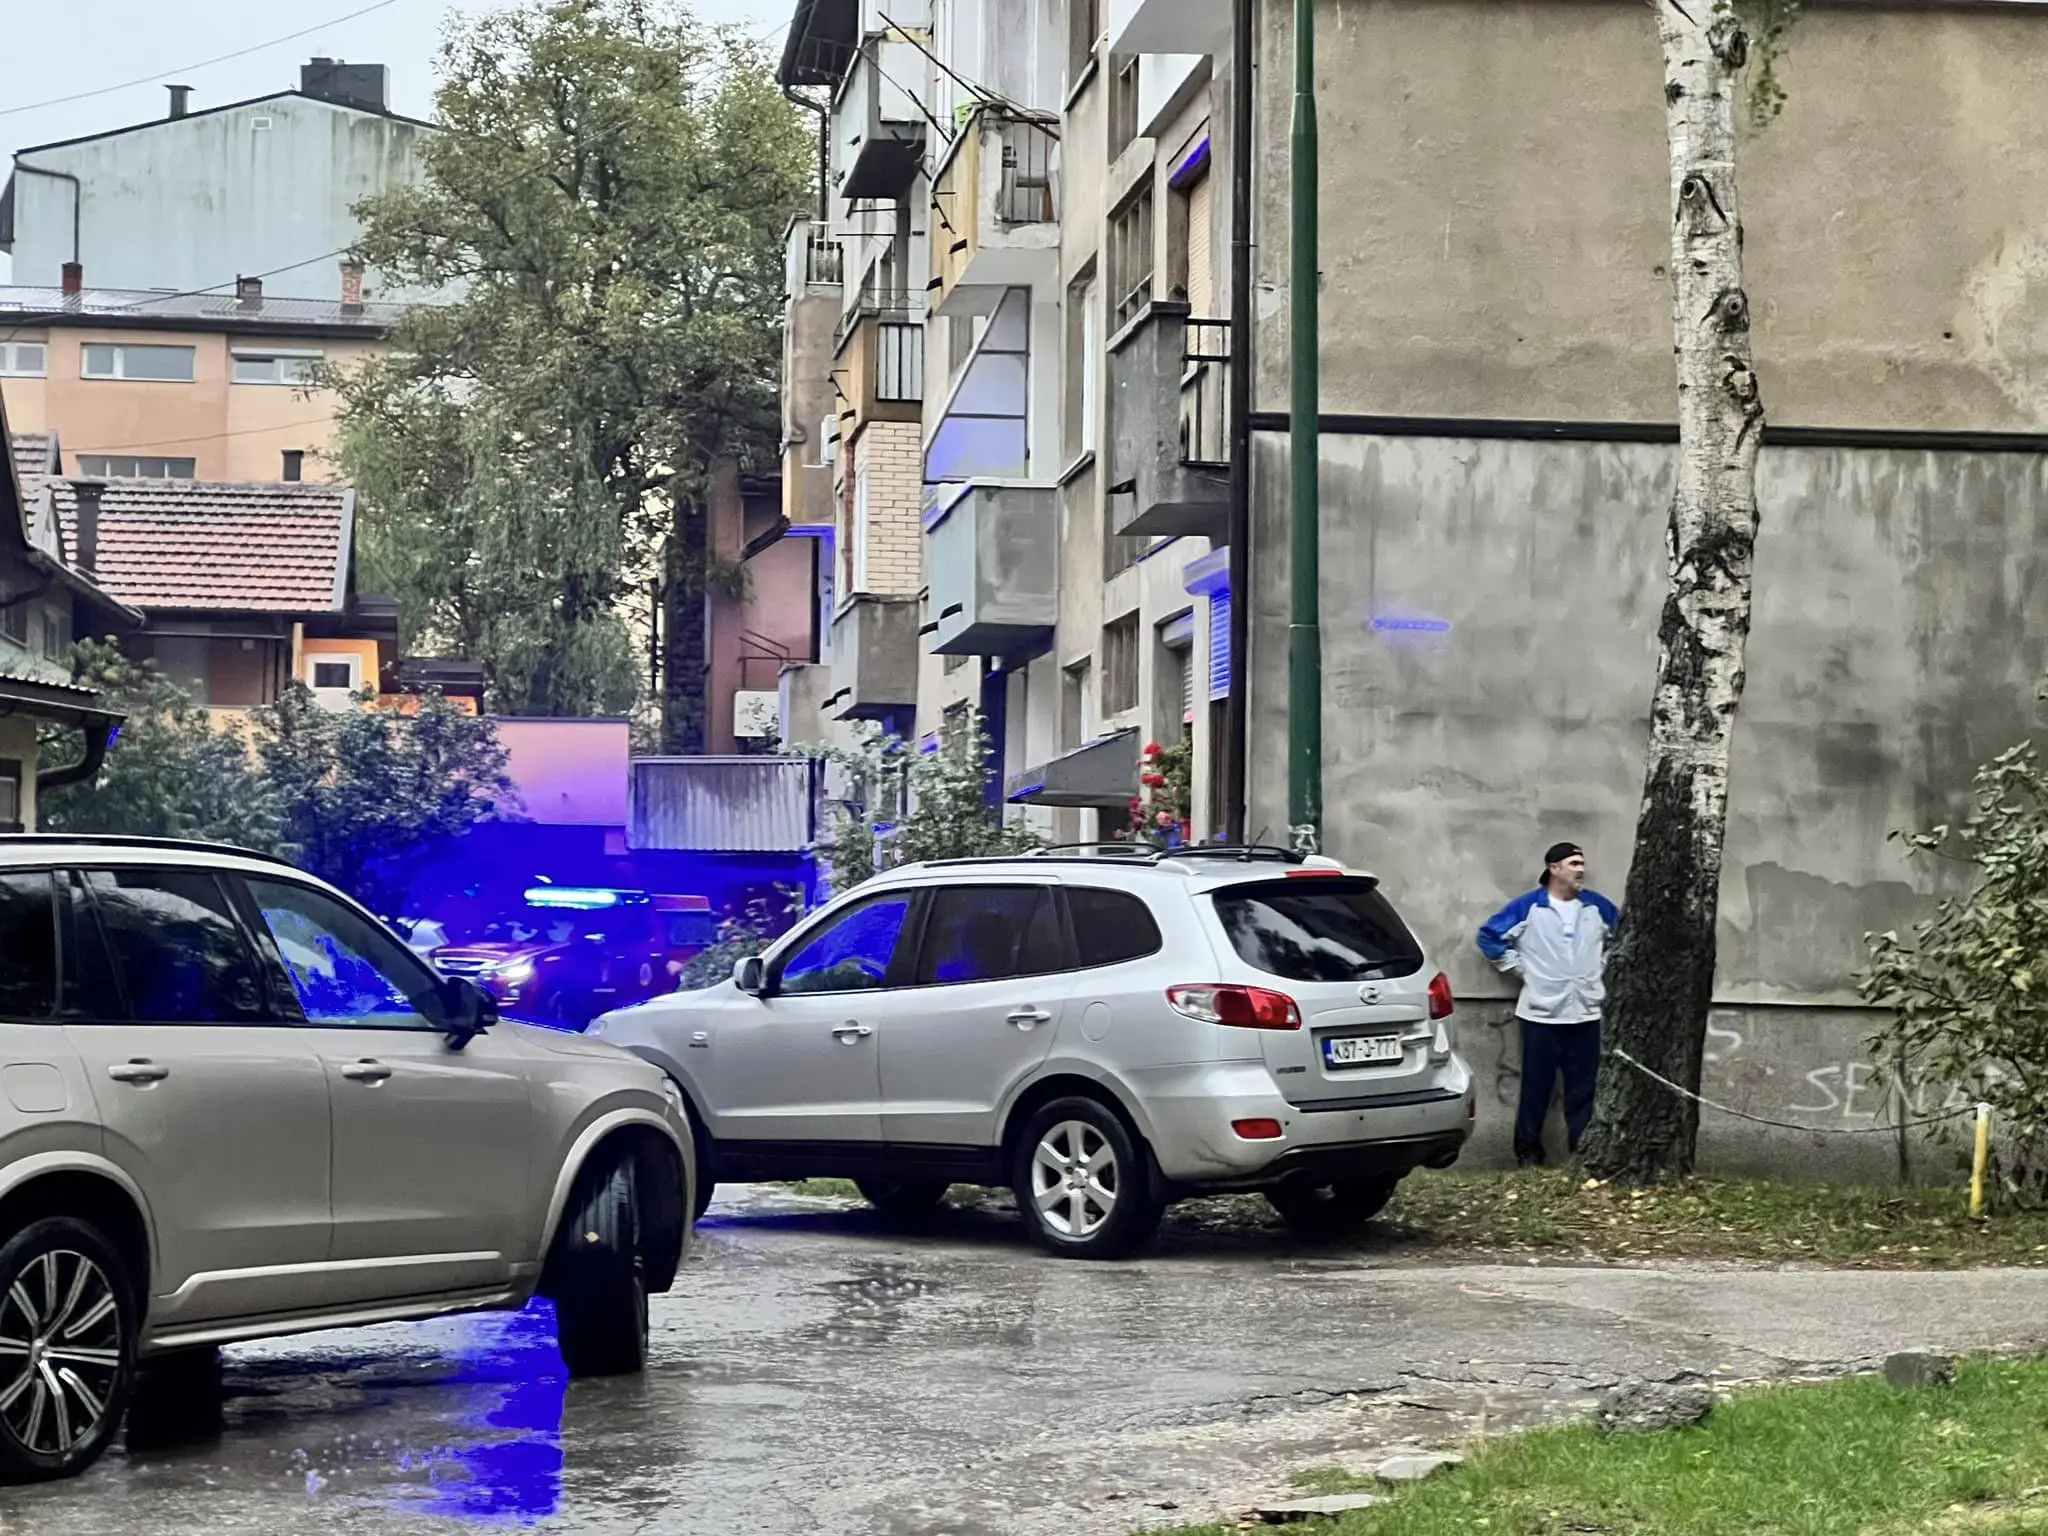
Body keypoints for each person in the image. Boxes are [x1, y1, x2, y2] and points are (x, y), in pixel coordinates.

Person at [1476, 842, 1620, 1166]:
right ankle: (1528, 1154)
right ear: (1553, 868)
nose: (1581, 869)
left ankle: (1583, 1155)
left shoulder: (1597, 907)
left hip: (1586, 1012)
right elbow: (1489, 937)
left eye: (1582, 863)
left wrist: (1603, 965)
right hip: (1541, 1015)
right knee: (1535, 1089)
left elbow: (1625, 937)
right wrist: (1521, 970)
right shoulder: (1528, 907)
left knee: (1583, 1092)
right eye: (1573, 863)